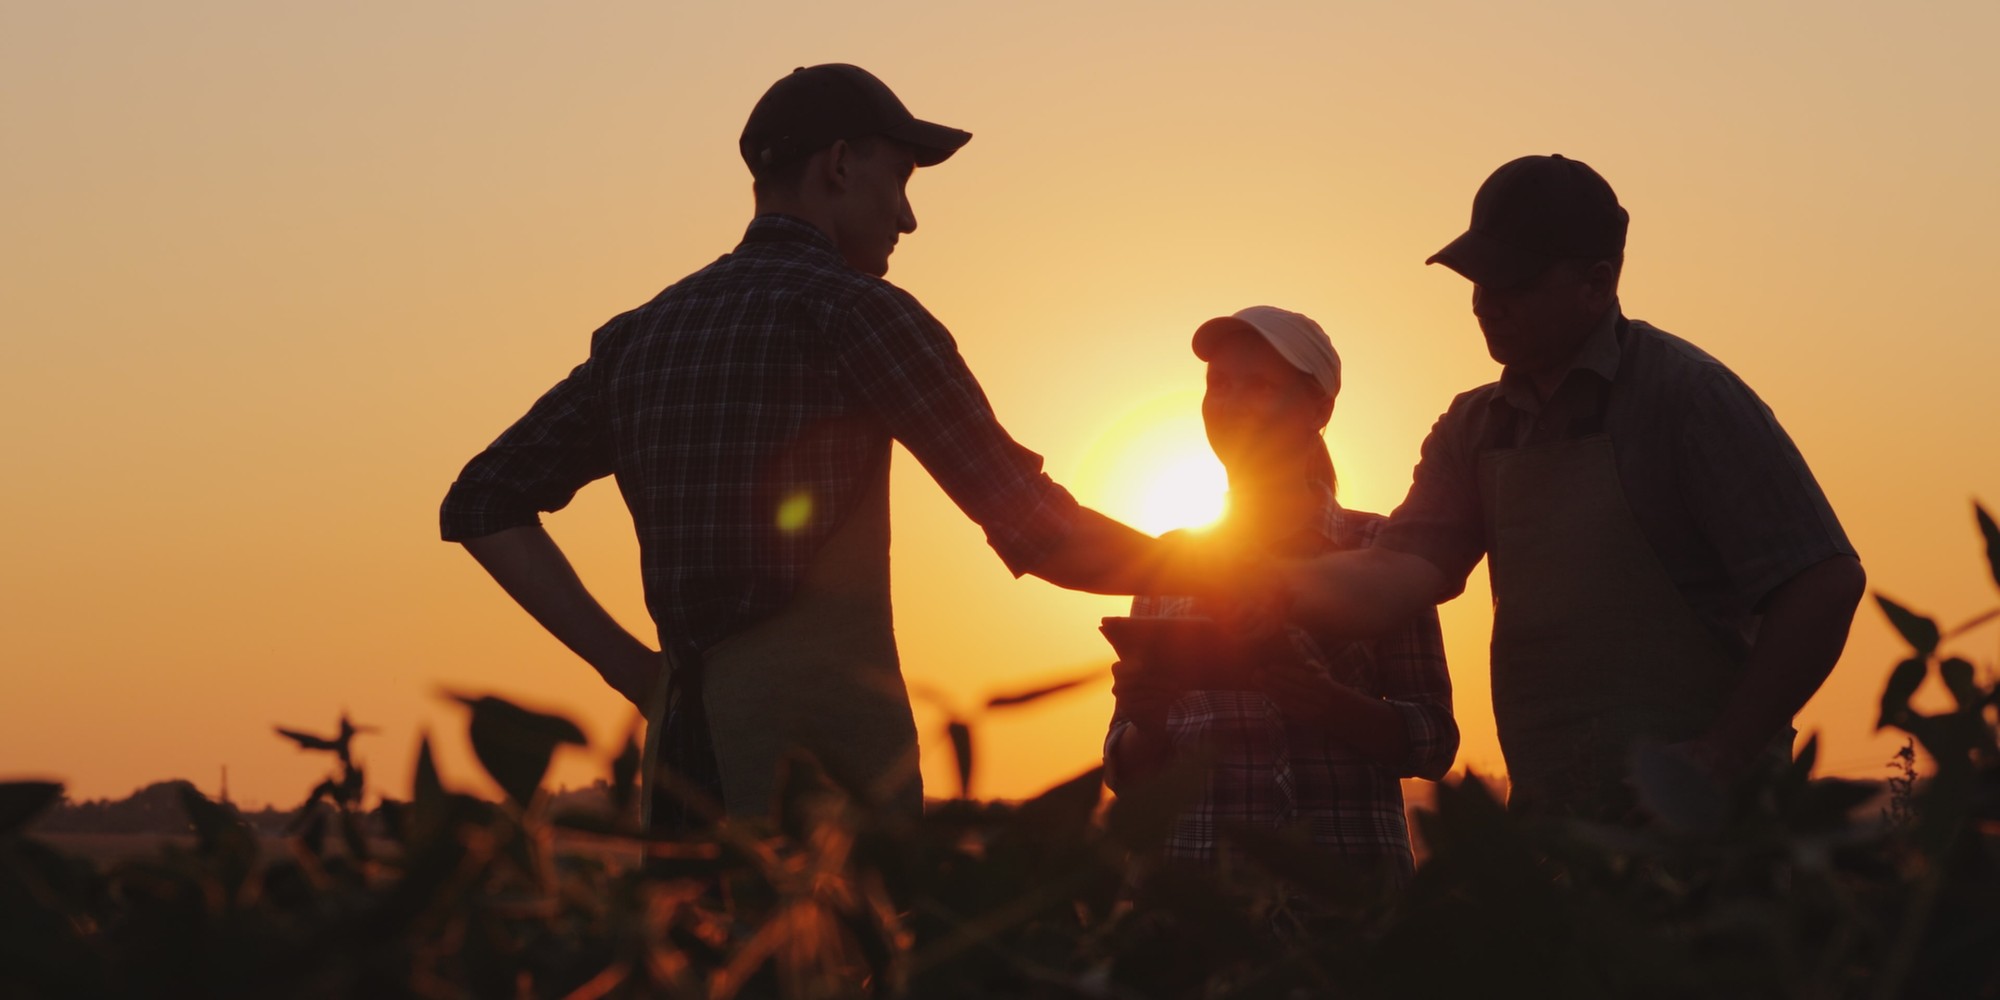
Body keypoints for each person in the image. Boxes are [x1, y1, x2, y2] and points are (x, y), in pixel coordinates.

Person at [439, 64, 1232, 829]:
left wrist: (636, 673)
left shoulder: (640, 337)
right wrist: (1229, 576)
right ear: (841, 165)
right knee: (832, 932)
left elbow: (482, 501)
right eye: (901, 179)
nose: (908, 218)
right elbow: (1040, 531)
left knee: (688, 932)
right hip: (825, 794)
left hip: (679, 773)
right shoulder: (858, 315)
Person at [1279, 155, 1866, 818]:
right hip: (1555, 826)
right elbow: (1395, 575)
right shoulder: (1475, 428)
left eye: (1513, 281)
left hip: (1711, 833)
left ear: (1598, 282)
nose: (1485, 302)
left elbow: (1824, 583)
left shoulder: (1689, 399)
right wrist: (1255, 583)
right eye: (1477, 278)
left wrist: (1719, 758)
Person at [1103, 307, 1458, 884]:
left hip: (1347, 897)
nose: (1232, 402)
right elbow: (1125, 767)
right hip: (1196, 897)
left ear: (1319, 409)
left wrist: (1330, 704)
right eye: (1219, 384)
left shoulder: (1382, 552)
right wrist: (1148, 719)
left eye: (1260, 386)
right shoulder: (1167, 562)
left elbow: (1434, 741)